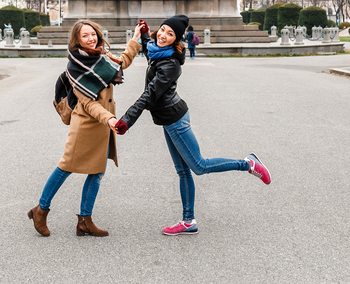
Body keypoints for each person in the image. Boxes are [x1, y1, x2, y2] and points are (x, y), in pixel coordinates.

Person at [114, 14, 271, 236]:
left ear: (177, 39)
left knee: (199, 166)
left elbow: (149, 95)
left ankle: (248, 164)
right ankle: (189, 221)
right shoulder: (161, 52)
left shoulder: (169, 64)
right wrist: (145, 35)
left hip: (175, 120)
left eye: (170, 34)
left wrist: (127, 120)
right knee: (183, 170)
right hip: (169, 120)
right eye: (163, 30)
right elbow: (150, 50)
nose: (163, 35)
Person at [28, 19, 144, 237]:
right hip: (86, 124)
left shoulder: (102, 57)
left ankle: (84, 220)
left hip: (103, 124)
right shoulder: (76, 67)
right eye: (85, 36)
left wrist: (136, 36)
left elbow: (123, 61)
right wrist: (109, 119)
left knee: (97, 172)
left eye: (93, 34)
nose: (91, 39)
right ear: (77, 40)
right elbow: (89, 104)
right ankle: (40, 210)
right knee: (66, 167)